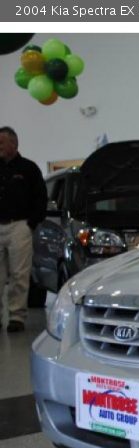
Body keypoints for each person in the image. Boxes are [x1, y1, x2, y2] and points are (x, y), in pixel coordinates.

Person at [0, 126, 47, 332]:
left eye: (1, 143)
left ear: (14, 144)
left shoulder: (29, 168)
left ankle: (16, 317)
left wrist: (31, 224)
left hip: (20, 226)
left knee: (19, 274)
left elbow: (41, 198)